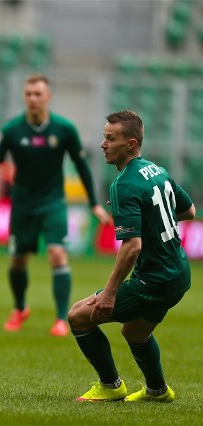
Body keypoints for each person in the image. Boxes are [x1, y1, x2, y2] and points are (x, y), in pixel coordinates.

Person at [70, 110, 195, 402]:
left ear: (131, 144)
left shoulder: (124, 184)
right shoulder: (156, 169)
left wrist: (110, 293)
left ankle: (110, 386)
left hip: (156, 279)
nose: (103, 144)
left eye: (110, 139)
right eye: (104, 137)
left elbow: (132, 246)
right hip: (178, 272)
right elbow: (189, 211)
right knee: (135, 333)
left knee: (78, 316)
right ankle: (157, 391)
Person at [0, 73, 112, 337]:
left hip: (53, 202)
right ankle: (19, 309)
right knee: (18, 261)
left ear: (48, 97)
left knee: (57, 254)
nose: (33, 99)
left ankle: (61, 318)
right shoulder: (11, 130)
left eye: (38, 94)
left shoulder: (64, 129)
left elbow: (82, 165)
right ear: (24, 97)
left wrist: (94, 203)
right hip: (23, 205)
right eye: (29, 94)